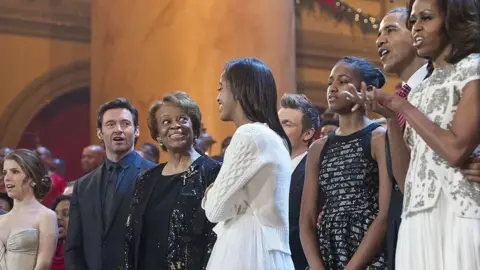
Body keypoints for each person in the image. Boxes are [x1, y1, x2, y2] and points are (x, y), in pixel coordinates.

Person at [364, 0, 480, 267]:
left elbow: (455, 150)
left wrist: (401, 105)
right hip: (417, 217)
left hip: (457, 212)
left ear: (452, 22)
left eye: (426, 18)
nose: (417, 28)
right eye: (413, 21)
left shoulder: (472, 68)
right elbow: (406, 180)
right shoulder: (419, 90)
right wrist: (392, 118)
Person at [202, 58, 294, 269]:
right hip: (266, 248)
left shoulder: (250, 134)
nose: (217, 97)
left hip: (247, 251)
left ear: (238, 90)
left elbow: (215, 210)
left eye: (221, 88)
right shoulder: (272, 137)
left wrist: (209, 195)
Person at [300, 57, 390, 270]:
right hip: (327, 251)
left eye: (342, 81)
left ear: (365, 89)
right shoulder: (318, 148)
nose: (332, 88)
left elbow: (384, 213)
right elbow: (306, 219)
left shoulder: (378, 138)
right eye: (330, 82)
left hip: (369, 253)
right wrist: (316, 266)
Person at [124, 91, 220, 270]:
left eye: (182, 119)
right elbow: (131, 238)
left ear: (195, 127)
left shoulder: (213, 172)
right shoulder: (145, 180)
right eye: (166, 122)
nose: (175, 126)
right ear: (158, 135)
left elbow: (217, 236)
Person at [65, 98, 156, 270]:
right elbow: (73, 247)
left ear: (136, 131)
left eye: (125, 124)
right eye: (111, 124)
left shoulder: (155, 176)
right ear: (100, 133)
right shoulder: (83, 186)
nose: (118, 130)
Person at [278, 93, 321, 270]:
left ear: (308, 134)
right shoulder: (266, 168)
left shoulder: (315, 171)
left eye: (287, 124)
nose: (277, 130)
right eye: (277, 122)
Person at [0, 149, 58, 270]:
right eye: (5, 173)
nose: (7, 178)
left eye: (15, 172)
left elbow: (44, 262)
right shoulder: (1, 219)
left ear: (32, 178)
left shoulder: (45, 216)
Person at [51, 195, 71, 270]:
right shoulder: (47, 248)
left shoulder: (88, 253)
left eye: (65, 214)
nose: (58, 217)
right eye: (55, 213)